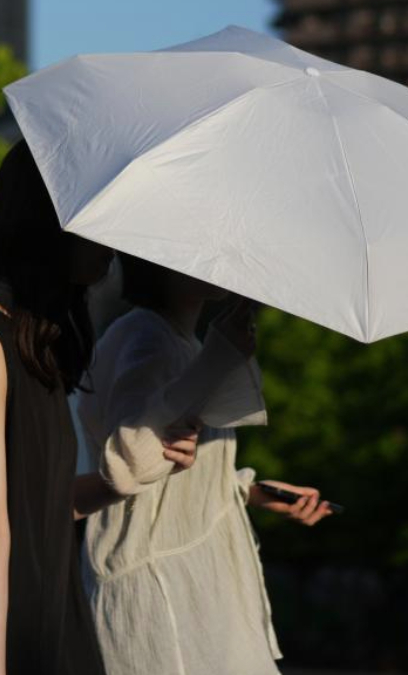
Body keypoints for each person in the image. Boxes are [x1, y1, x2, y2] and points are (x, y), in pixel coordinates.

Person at [0, 142, 198, 675]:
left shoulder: (34, 346)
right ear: (49, 220)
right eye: (96, 222)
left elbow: (36, 505)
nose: (112, 245)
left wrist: (124, 479)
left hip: (44, 624)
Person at [76, 253, 335, 675]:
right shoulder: (144, 337)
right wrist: (219, 359)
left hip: (190, 599)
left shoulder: (179, 342)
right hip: (157, 604)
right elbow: (130, 464)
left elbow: (171, 474)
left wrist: (255, 493)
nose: (221, 259)